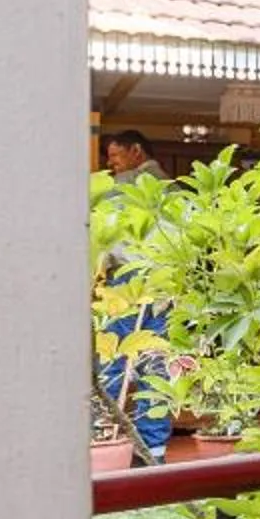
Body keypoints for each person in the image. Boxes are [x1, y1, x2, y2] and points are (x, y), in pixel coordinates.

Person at [96, 130, 172, 466]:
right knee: (158, 367)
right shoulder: (175, 190)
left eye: (115, 156)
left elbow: (107, 243)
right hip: (170, 283)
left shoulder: (121, 190)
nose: (110, 164)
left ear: (136, 151)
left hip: (129, 281)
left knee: (114, 362)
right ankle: (152, 449)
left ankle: (104, 443)